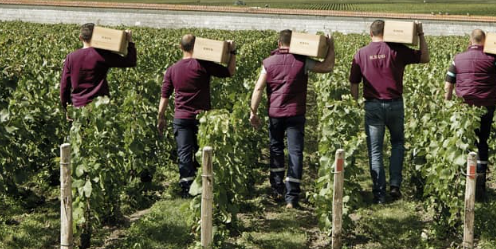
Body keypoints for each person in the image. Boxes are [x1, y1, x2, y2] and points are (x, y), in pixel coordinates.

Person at [249, 30, 335, 209]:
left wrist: (253, 111)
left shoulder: (268, 63)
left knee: (276, 149)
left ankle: (277, 189)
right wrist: (330, 46)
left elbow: (258, 89)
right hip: (296, 113)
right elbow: (327, 67)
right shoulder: (302, 61)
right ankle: (292, 196)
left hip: (275, 113)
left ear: (279, 43)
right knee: (295, 152)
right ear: (295, 43)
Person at [349, 20, 429, 204]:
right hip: (395, 104)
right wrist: (421, 34)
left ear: (370, 33)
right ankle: (394, 185)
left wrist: (356, 101)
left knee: (375, 151)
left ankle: (379, 194)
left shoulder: (361, 54)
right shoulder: (397, 50)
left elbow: (354, 84)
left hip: (373, 105)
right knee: (398, 143)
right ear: (388, 33)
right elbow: (425, 57)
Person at [444, 29, 496, 199]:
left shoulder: (458, 58)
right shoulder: (492, 58)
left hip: (464, 107)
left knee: (463, 142)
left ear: (470, 39)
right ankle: (479, 186)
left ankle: (463, 182)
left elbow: (448, 83)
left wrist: (449, 100)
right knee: (482, 142)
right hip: (486, 106)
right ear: (486, 41)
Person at [158, 34, 237, 198]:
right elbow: (229, 71)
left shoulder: (172, 69)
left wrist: (161, 116)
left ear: (180, 47)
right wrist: (232, 52)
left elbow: (164, 95)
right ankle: (205, 186)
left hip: (181, 118)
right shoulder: (204, 65)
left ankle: (187, 190)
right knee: (203, 152)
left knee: (184, 154)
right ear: (197, 46)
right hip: (202, 118)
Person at [60, 23, 137, 113]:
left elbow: (64, 87)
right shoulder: (102, 54)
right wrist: (130, 41)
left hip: (78, 109)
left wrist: (67, 108)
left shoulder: (71, 57)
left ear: (80, 38)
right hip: (100, 108)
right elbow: (130, 61)